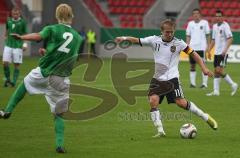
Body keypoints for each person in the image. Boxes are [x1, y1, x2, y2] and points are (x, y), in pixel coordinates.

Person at [0, 4, 83, 153]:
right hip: (61, 79)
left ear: (57, 16)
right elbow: (70, 58)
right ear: (72, 16)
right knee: (59, 115)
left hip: (44, 73)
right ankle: (59, 145)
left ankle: (8, 111)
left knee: (24, 85)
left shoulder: (52, 29)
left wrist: (22, 37)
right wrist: (49, 54)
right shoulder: (77, 37)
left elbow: (38, 36)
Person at [115, 19, 218, 137]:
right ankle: (160, 131)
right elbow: (137, 40)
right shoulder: (154, 40)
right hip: (157, 79)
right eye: (167, 32)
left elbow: (194, 54)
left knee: (181, 103)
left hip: (172, 79)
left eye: (171, 32)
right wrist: (123, 38)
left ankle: (205, 117)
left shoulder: (179, 43)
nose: (169, 34)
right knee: (153, 101)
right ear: (162, 31)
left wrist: (204, 68)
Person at [206, 10, 238, 96]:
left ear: (223, 17)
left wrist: (225, 50)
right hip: (216, 53)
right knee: (216, 72)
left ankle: (233, 84)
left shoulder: (225, 26)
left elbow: (230, 38)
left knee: (218, 70)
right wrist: (209, 50)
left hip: (223, 53)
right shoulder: (215, 26)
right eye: (216, 16)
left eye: (220, 16)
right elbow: (213, 40)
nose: (218, 17)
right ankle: (216, 91)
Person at [2, 7, 28, 87]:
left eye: (17, 14)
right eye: (14, 14)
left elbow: (25, 34)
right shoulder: (8, 20)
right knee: (5, 63)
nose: (15, 15)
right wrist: (5, 36)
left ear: (19, 14)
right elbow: (7, 29)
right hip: (8, 45)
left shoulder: (23, 22)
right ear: (12, 14)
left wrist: (25, 44)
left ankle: (13, 82)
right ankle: (8, 80)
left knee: (16, 64)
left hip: (18, 46)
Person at [186, 8, 210, 88]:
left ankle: (204, 84)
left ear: (200, 14)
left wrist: (208, 46)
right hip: (192, 48)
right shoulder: (190, 24)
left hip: (202, 48)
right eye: (194, 13)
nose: (195, 15)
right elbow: (188, 35)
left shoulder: (205, 23)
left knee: (203, 65)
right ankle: (192, 84)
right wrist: (187, 45)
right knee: (192, 65)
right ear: (192, 15)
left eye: (197, 13)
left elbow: (208, 35)